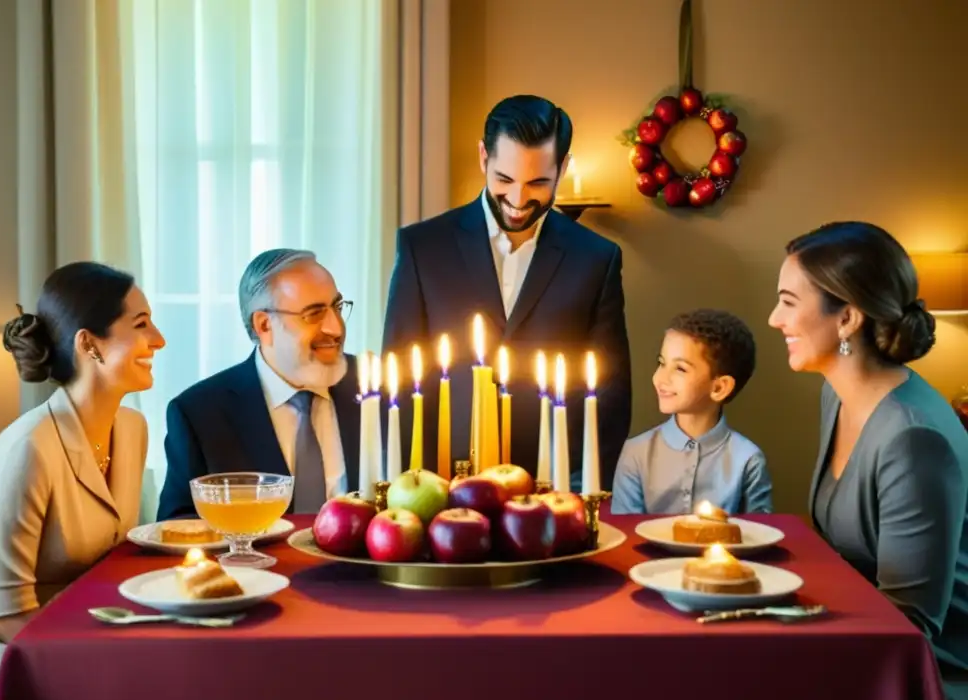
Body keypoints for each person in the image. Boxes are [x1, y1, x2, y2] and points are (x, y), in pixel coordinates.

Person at [0, 262, 164, 700]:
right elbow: (1, 611)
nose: (159, 340)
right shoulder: (27, 449)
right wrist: (86, 661)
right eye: (141, 324)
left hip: (64, 623)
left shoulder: (131, 429)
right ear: (90, 344)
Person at [768, 221, 968, 700]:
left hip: (931, 680)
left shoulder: (911, 436)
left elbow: (910, 623)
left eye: (789, 302)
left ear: (847, 318)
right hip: (865, 643)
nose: (774, 319)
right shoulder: (836, 393)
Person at [381, 94, 631, 490]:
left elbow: (611, 393)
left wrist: (580, 486)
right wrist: (411, 484)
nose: (517, 201)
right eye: (504, 179)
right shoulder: (423, 247)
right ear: (484, 157)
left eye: (537, 183)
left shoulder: (597, 258)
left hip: (551, 488)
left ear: (562, 168)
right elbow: (400, 374)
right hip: (441, 485)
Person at [157, 249, 361, 520]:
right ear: (264, 325)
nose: (335, 328)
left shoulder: (378, 387)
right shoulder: (199, 413)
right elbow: (177, 526)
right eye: (314, 314)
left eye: (337, 307)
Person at [611, 309, 773, 514]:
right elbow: (626, 534)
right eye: (661, 363)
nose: (660, 378)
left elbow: (758, 535)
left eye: (680, 369)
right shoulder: (635, 453)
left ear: (719, 388)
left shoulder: (748, 460)